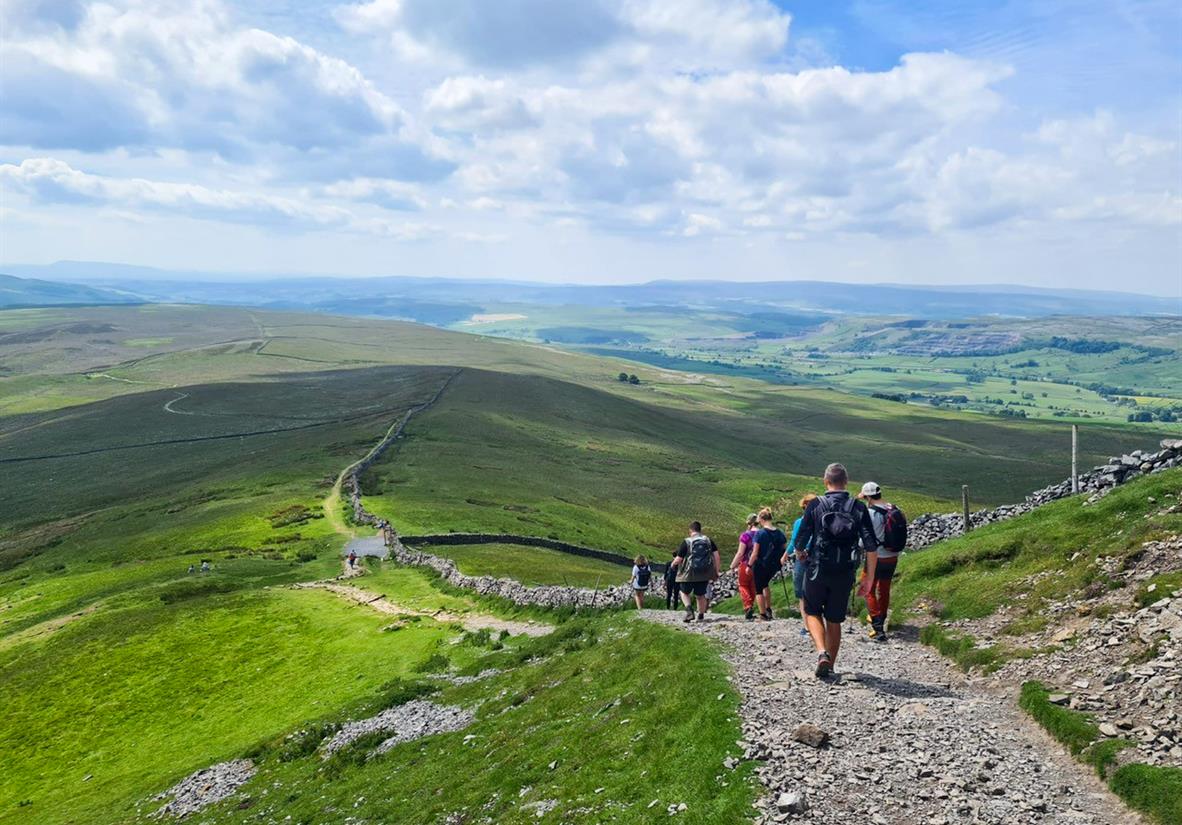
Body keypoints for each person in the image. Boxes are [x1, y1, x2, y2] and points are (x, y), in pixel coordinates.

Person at [794, 463, 878, 678]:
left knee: (812, 611)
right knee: (834, 618)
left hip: (817, 569)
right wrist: (868, 579)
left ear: (825, 481)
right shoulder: (858, 507)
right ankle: (830, 667)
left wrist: (801, 553)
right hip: (844, 572)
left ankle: (822, 652)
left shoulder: (815, 505)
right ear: (846, 482)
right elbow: (870, 546)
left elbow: (801, 539)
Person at [857, 482, 905, 642]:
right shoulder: (893, 508)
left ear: (868, 497)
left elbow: (863, 542)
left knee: (867, 589)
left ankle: (878, 629)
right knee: (884, 589)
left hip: (875, 558)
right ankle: (882, 620)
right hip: (892, 556)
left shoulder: (869, 513)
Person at [671, 521, 720, 622]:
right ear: (700, 530)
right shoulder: (708, 540)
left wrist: (673, 564)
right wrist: (716, 571)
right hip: (704, 572)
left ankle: (689, 611)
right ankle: (701, 615)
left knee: (684, 592)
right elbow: (716, 556)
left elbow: (679, 559)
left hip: (689, 573)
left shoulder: (687, 541)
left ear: (690, 531)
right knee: (700, 595)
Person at [783, 493, 817, 637]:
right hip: (817, 558)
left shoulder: (799, 522)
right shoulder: (822, 521)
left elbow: (794, 540)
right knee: (815, 592)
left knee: (802, 594)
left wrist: (785, 555)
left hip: (802, 558)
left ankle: (807, 627)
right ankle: (818, 624)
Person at [748, 508, 786, 621]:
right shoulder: (779, 532)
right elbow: (784, 548)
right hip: (774, 565)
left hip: (761, 564)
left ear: (762, 519)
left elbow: (755, 553)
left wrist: (749, 565)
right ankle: (768, 608)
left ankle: (763, 614)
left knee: (759, 588)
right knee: (765, 584)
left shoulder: (760, 533)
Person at [729, 514, 759, 621]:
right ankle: (751, 606)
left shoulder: (745, 536)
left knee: (743, 585)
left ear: (749, 523)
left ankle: (748, 606)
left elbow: (740, 553)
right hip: (758, 564)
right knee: (753, 586)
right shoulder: (761, 533)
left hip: (745, 563)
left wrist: (733, 565)